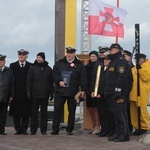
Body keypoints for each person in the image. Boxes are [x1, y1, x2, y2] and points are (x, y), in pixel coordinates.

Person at [51, 46, 87, 135]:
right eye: (68, 53)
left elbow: (83, 77)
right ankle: (55, 129)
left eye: (70, 53)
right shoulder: (60, 63)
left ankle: (69, 129)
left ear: (74, 54)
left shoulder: (79, 64)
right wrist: (59, 81)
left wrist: (83, 89)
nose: (69, 55)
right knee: (57, 110)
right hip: (60, 90)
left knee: (72, 111)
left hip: (73, 91)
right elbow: (54, 74)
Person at [104, 43, 130, 142]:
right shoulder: (113, 61)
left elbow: (121, 77)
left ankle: (124, 134)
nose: (110, 52)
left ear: (117, 50)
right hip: (111, 92)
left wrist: (118, 90)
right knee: (115, 114)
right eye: (110, 50)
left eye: (112, 50)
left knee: (121, 113)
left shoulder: (121, 61)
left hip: (118, 93)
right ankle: (118, 133)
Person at [26, 52, 53, 135]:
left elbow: (51, 82)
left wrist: (52, 93)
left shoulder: (48, 69)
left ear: (43, 58)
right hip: (34, 94)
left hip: (45, 94)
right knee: (34, 113)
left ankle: (43, 130)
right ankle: (33, 130)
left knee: (44, 114)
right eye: (37, 57)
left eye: (40, 57)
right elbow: (29, 81)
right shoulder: (32, 68)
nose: (38, 59)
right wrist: (28, 91)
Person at [9, 49, 32, 135]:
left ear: (26, 56)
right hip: (16, 92)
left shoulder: (30, 66)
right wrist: (10, 93)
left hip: (26, 92)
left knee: (26, 112)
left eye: (23, 55)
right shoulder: (13, 65)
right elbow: (10, 79)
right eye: (20, 55)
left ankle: (24, 129)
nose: (21, 56)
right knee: (16, 112)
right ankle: (18, 129)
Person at [130, 53, 150, 135]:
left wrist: (140, 69)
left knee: (142, 110)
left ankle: (144, 127)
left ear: (144, 59)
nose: (138, 61)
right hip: (133, 93)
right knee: (134, 111)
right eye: (136, 60)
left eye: (140, 60)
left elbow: (146, 77)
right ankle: (137, 127)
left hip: (142, 92)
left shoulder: (147, 67)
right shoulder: (133, 69)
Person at [85, 50, 100, 134]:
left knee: (96, 108)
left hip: (96, 90)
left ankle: (98, 126)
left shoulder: (99, 66)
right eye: (91, 56)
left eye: (94, 56)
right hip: (88, 90)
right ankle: (93, 126)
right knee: (90, 108)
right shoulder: (86, 67)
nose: (92, 58)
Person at [0, 54, 13, 135]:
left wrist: (12, 95)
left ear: (4, 62)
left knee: (3, 115)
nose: (0, 62)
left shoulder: (9, 71)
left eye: (1, 61)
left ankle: (1, 130)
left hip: (5, 96)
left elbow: (12, 83)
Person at [123, 50, 134, 134]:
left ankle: (129, 128)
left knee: (128, 112)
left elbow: (130, 81)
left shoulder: (132, 67)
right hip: (123, 93)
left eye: (125, 56)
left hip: (129, 93)